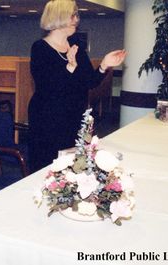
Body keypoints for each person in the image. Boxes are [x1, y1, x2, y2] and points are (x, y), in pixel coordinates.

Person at [28, 0, 126, 173]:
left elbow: (90, 82)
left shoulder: (76, 47)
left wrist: (104, 65)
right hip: (49, 118)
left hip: (73, 116)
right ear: (60, 17)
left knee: (73, 168)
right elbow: (49, 88)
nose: (77, 19)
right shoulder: (40, 48)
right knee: (47, 168)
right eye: (73, 15)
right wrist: (70, 67)